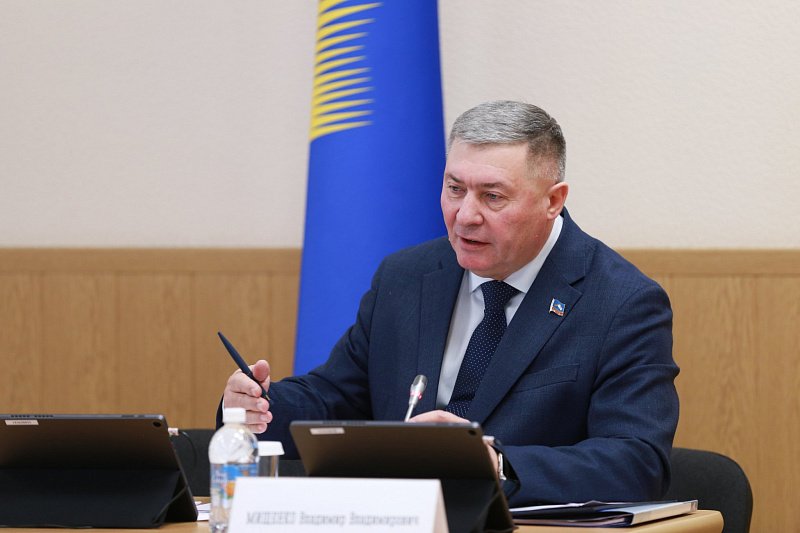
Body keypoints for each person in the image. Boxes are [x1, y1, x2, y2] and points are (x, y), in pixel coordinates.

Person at [219, 100, 679, 505]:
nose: (465, 215)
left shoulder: (621, 302)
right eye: (455, 189)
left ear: (552, 201)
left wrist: (496, 463)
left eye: (492, 197)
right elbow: (336, 397)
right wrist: (255, 406)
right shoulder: (407, 277)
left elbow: (637, 461)